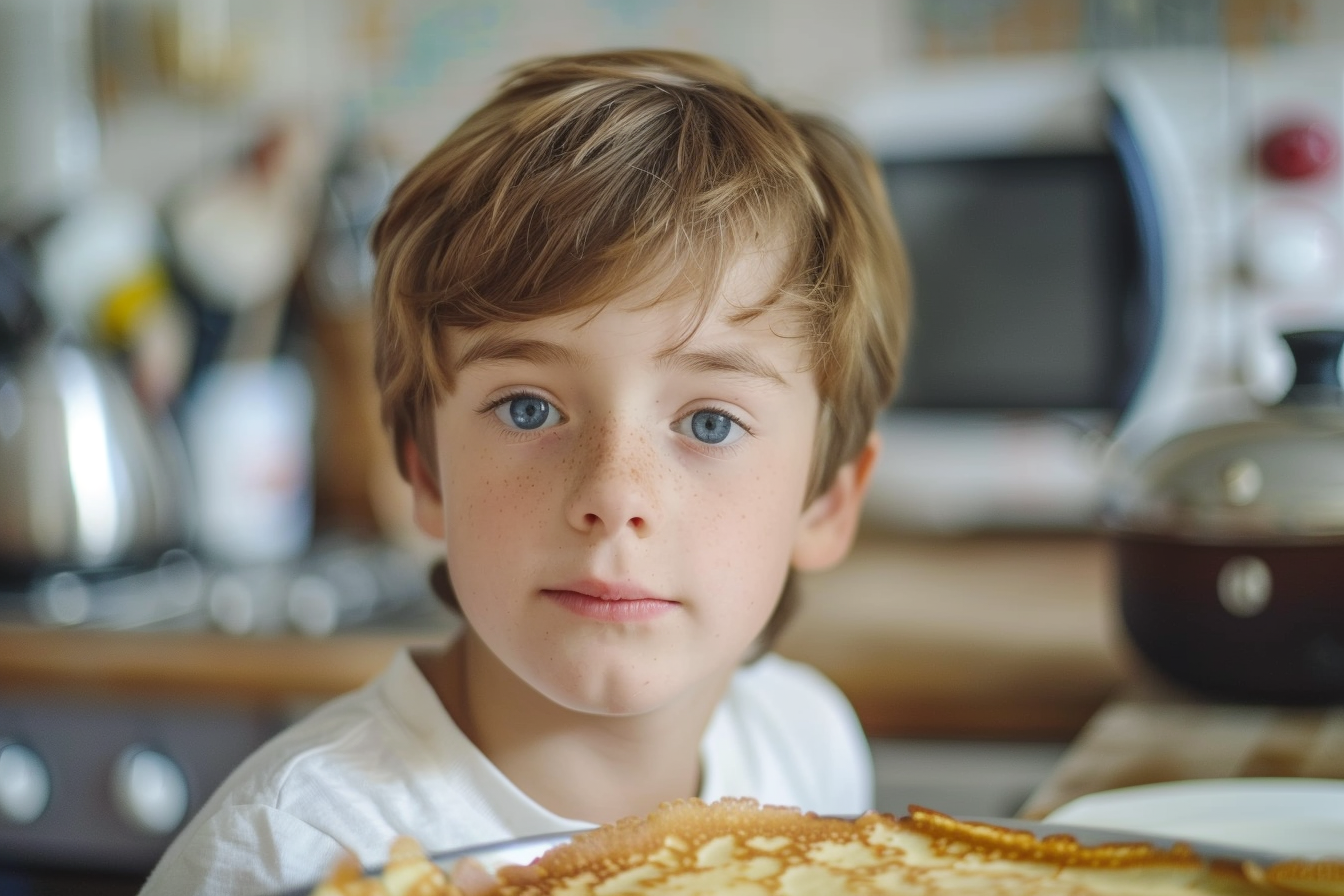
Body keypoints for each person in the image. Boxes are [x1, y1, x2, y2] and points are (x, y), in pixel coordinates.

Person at [139, 48, 909, 896]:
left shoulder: (806, 745)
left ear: (828, 499)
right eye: (529, 408)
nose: (614, 496)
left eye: (710, 422)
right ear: (423, 474)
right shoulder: (296, 851)